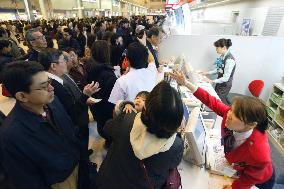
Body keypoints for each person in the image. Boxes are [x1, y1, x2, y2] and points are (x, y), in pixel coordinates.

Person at [170, 71, 275, 189]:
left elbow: (250, 178)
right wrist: (185, 83)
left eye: (236, 115)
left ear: (251, 125)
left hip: (260, 180)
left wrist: (234, 187)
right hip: (239, 166)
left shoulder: (259, 153)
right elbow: (210, 100)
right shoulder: (229, 115)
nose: (229, 114)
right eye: (231, 109)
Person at [0, 61, 81, 189]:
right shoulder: (11, 136)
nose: (51, 88)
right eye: (44, 86)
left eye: (49, 82)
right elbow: (27, 181)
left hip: (77, 166)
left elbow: (70, 131)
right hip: (58, 182)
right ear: (22, 96)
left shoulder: (52, 102)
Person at [96, 81, 184, 189]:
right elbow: (171, 165)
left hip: (108, 181)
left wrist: (125, 106)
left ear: (146, 108)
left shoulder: (127, 118)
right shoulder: (176, 146)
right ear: (177, 121)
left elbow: (106, 129)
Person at [108, 39, 157, 104]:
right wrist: (145, 46)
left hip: (130, 113)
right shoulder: (151, 72)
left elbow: (116, 105)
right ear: (146, 58)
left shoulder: (121, 81)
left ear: (127, 60)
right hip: (148, 112)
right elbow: (152, 60)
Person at [203, 38, 236, 104]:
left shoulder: (229, 60)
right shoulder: (222, 56)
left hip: (224, 86)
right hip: (219, 83)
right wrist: (207, 73)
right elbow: (219, 69)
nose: (216, 50)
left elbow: (226, 78)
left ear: (223, 48)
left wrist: (212, 81)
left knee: (217, 103)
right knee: (215, 100)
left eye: (217, 48)